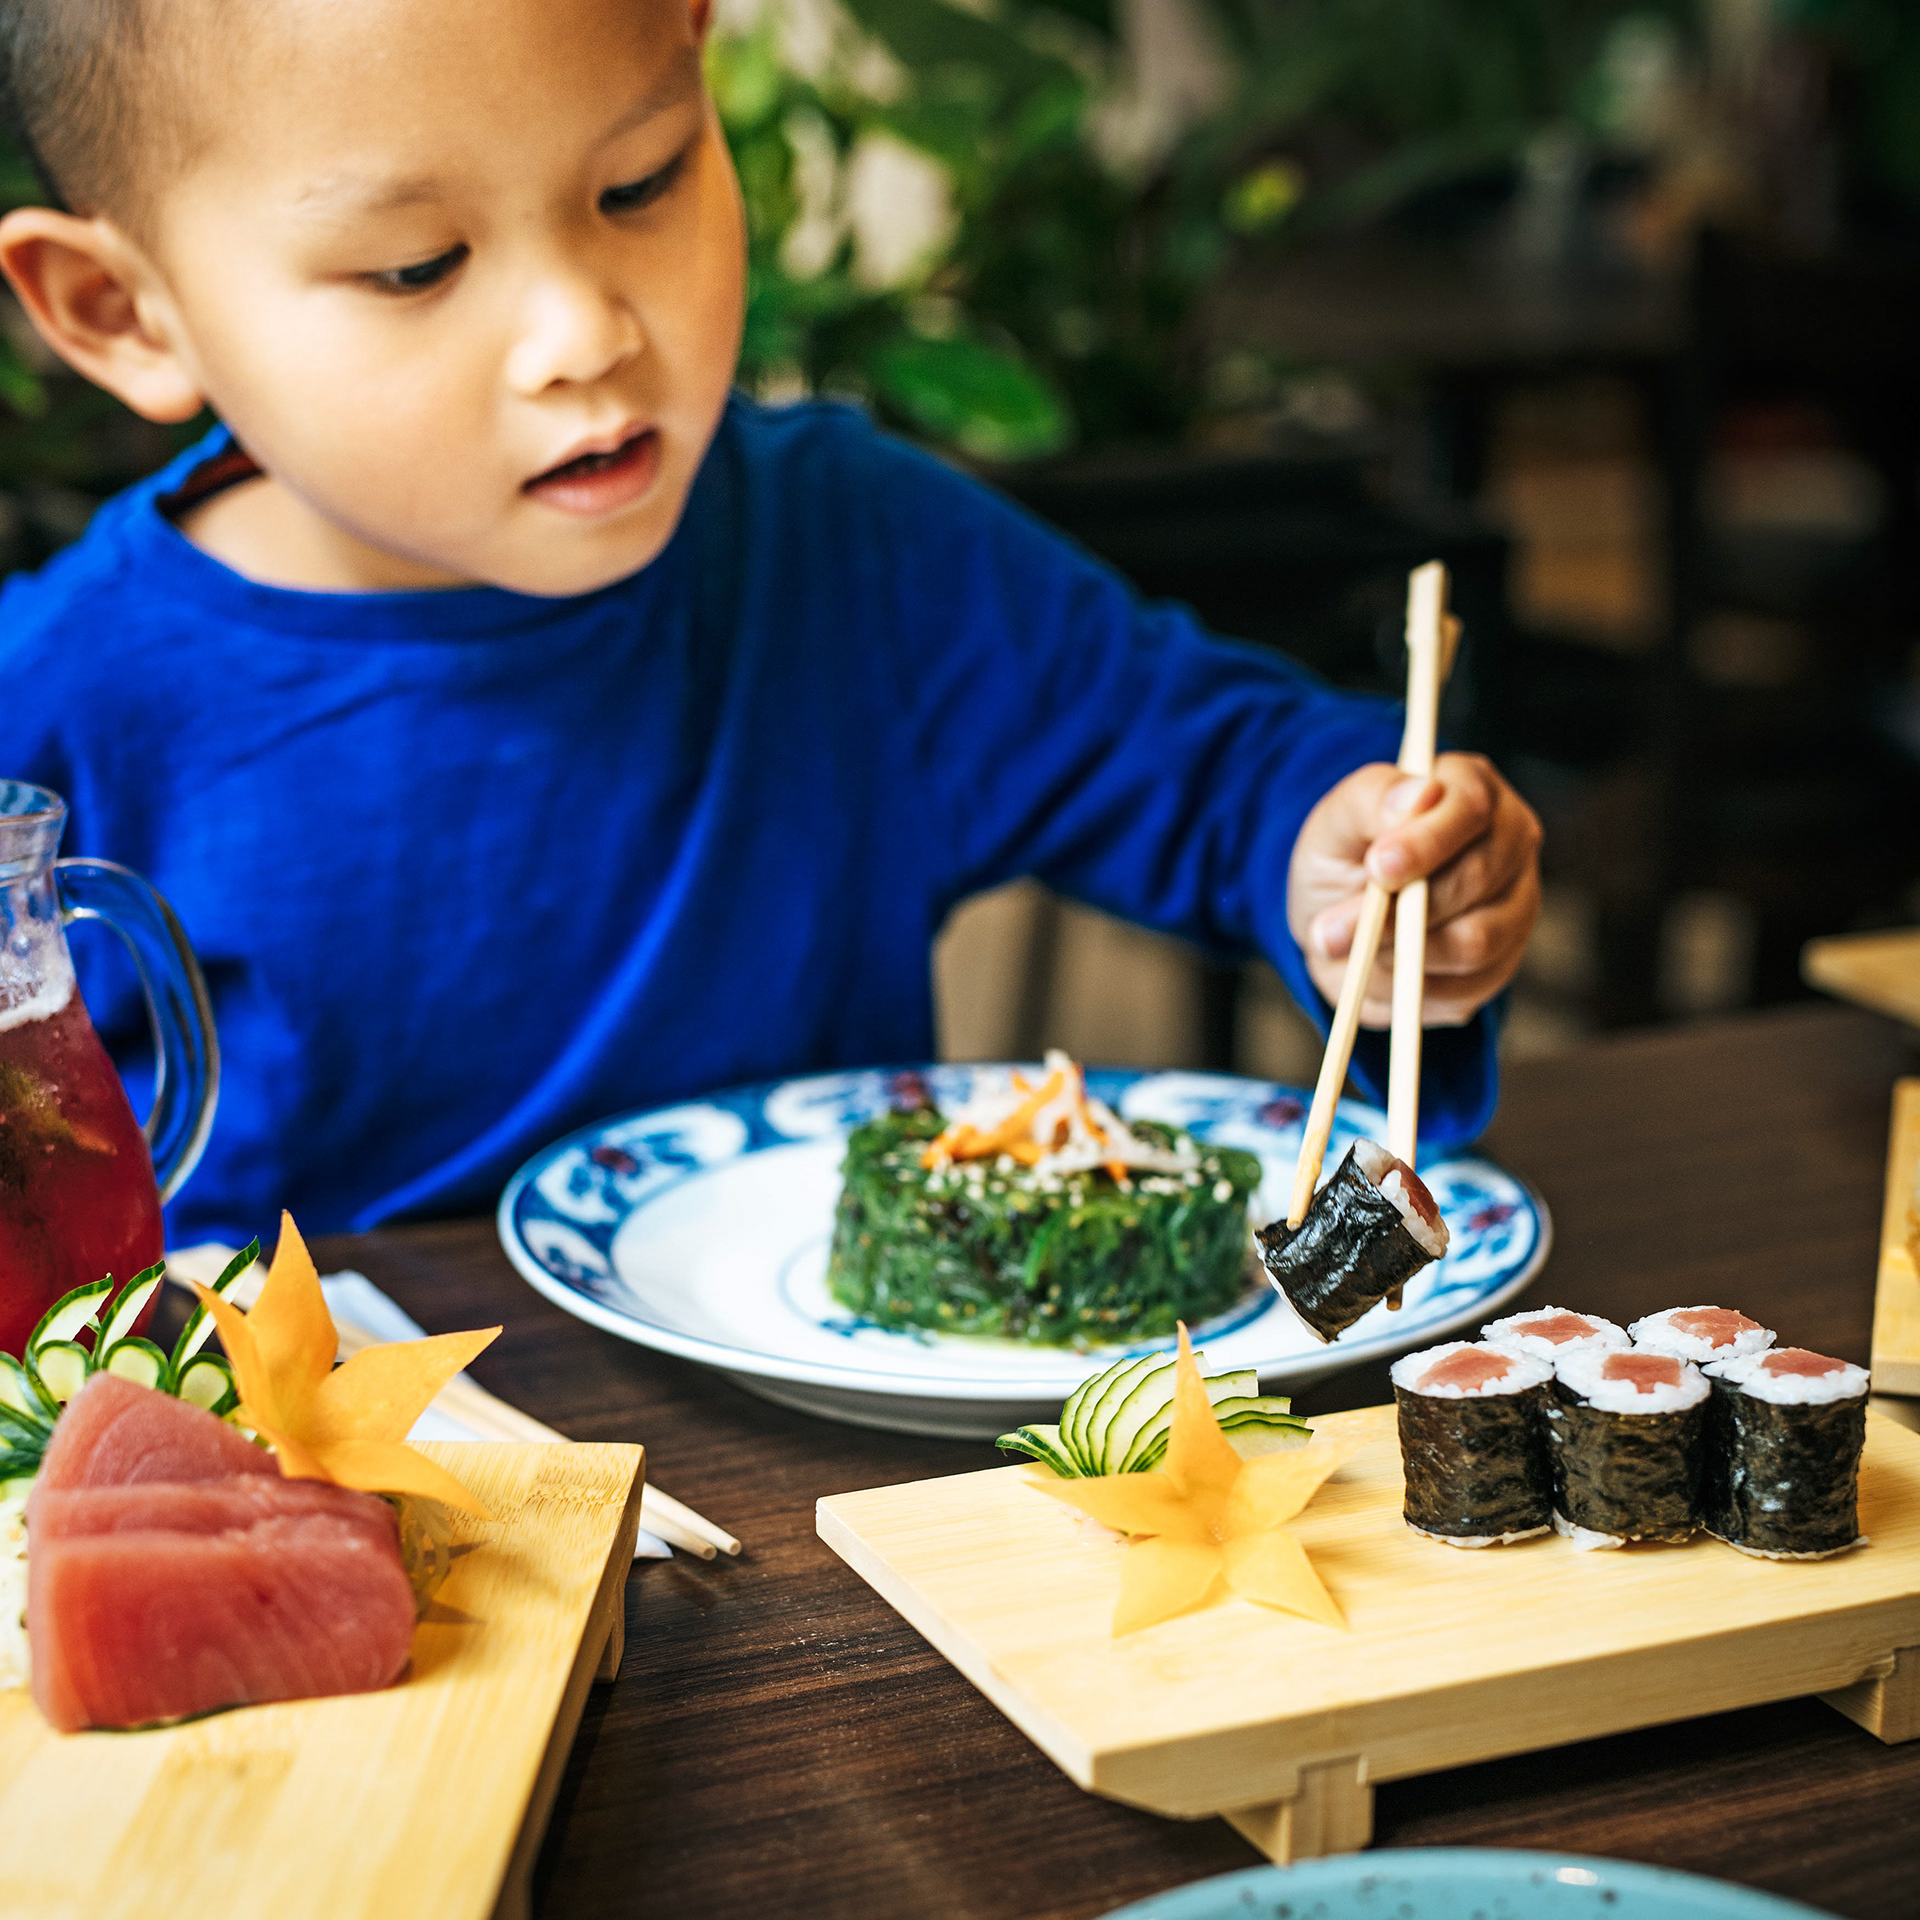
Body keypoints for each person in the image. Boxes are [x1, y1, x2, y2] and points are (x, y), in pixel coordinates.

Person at [0, 0, 1541, 1246]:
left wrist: (1355, 863)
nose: (585, 332)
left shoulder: (859, 553)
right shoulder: (59, 696)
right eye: (417, 267)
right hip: (323, 1502)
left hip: (842, 1490)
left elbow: (1222, 774)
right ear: (124, 312)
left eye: (640, 183)